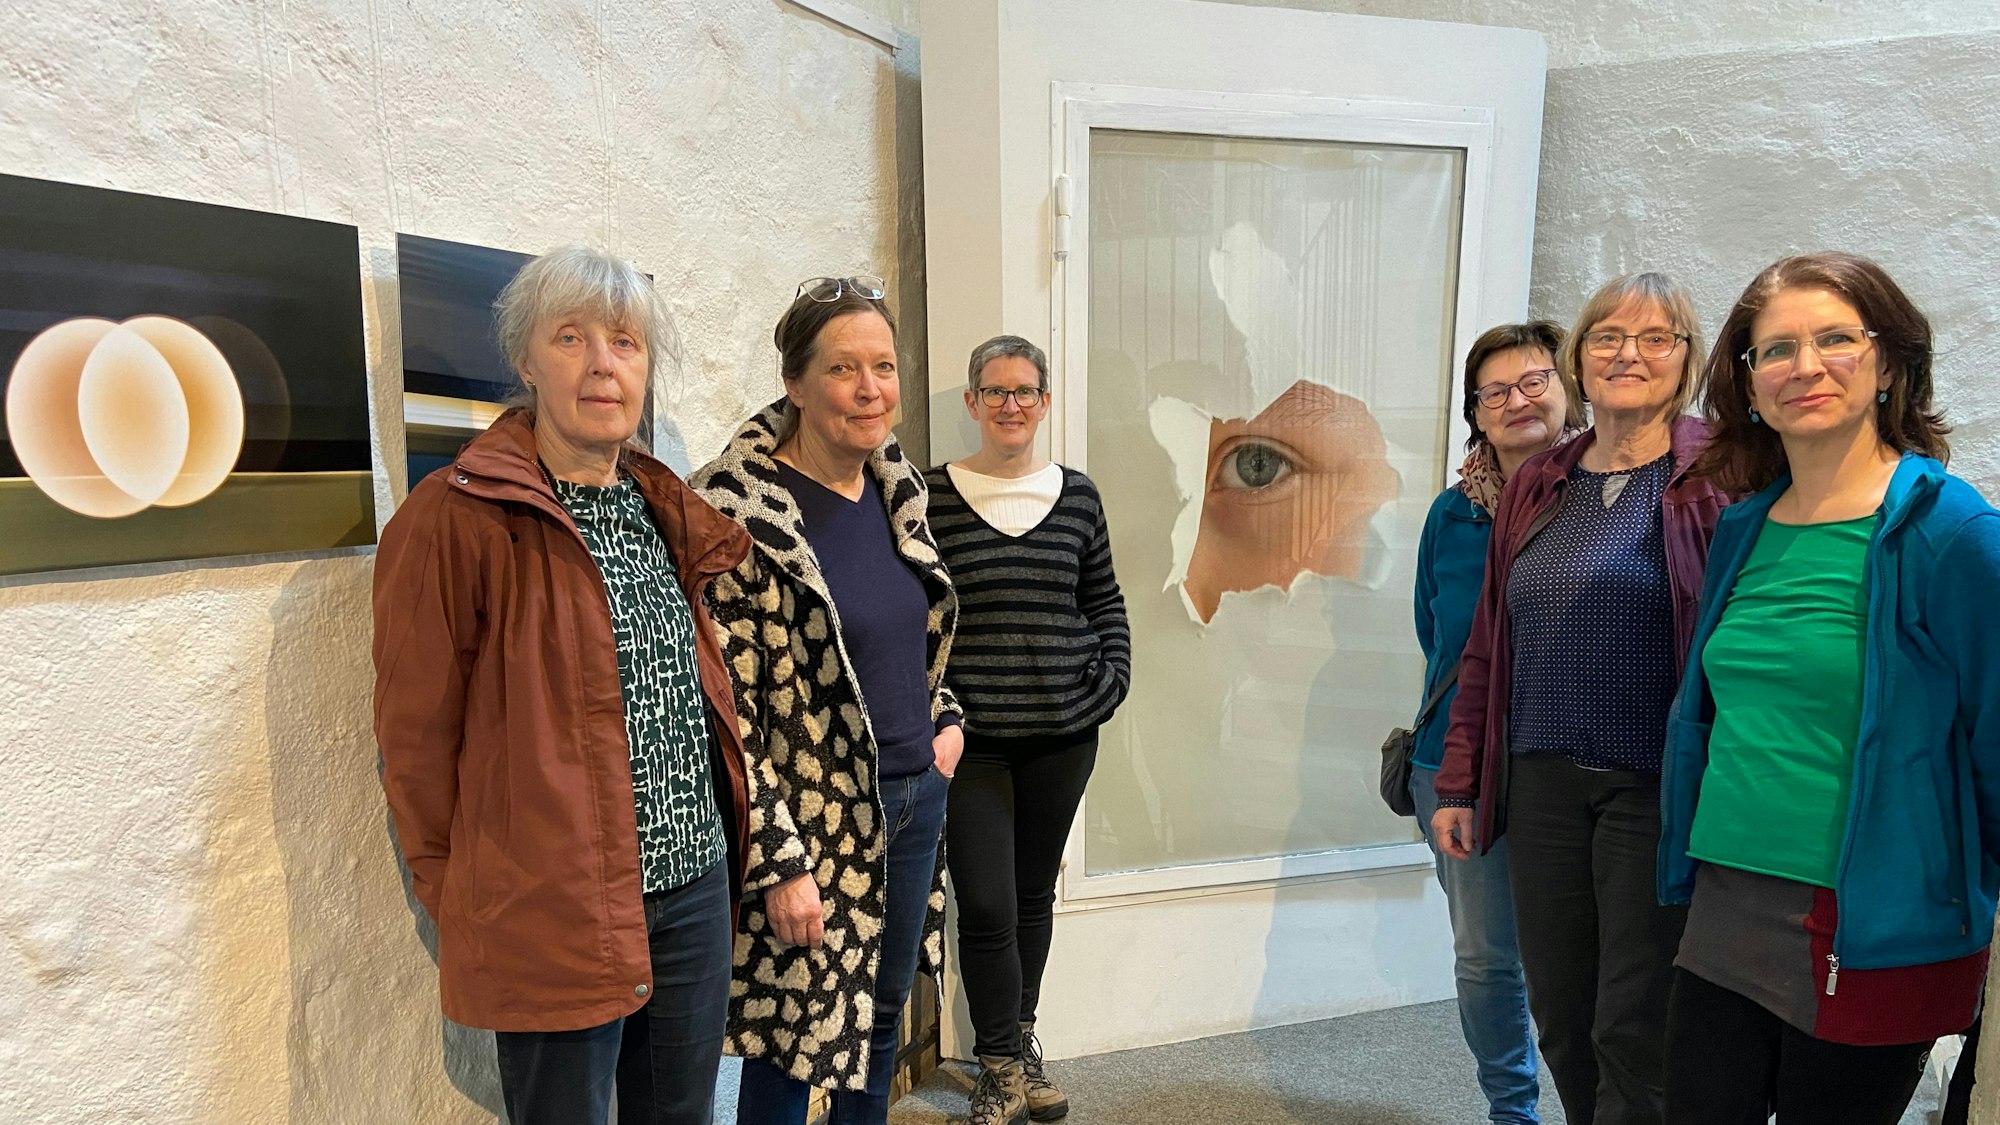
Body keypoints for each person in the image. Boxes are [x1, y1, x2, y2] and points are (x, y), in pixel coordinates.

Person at [373, 246, 751, 1125]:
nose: (601, 364)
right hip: (553, 906)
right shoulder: (453, 517)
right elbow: (416, 742)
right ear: (525, 361)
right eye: (571, 337)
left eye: (624, 342)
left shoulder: (660, 505)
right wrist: (475, 898)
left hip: (692, 888)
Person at [1659, 252, 2000, 1124]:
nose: (1805, 367)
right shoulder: (1742, 526)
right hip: (1726, 896)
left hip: (1872, 916)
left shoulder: (1952, 532)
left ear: (1888, 363)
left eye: (1836, 339)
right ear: (1750, 385)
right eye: (1775, 350)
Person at [1433, 273, 1730, 1125]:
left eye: (1655, 338)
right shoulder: (1542, 480)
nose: (1628, 353)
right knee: (1562, 1016)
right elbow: (1489, 639)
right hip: (1542, 785)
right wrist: (1459, 778)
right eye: (1607, 337)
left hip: (1650, 785)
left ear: (1687, 359)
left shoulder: (1716, 474)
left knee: (1631, 1022)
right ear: (1580, 357)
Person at [692, 275, 963, 1125]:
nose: (870, 388)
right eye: (844, 368)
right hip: (810, 815)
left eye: (882, 366)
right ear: (796, 384)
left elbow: (910, 634)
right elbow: (723, 710)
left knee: (879, 1023)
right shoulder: (734, 509)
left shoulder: (897, 487)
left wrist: (945, 719)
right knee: (791, 1037)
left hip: (914, 793)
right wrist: (777, 860)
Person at [924, 335, 1131, 1124]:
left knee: (1033, 892)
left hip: (1063, 735)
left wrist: (1109, 679)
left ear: (1044, 403)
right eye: (996, 391)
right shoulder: (934, 495)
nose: (1011, 404)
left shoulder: (1076, 496)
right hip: (969, 741)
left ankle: (1019, 1045)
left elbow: (1104, 600)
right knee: (984, 901)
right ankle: (999, 1063)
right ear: (973, 403)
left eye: (1025, 391)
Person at [1411, 322, 1583, 1125]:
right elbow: (1435, 632)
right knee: (1486, 958)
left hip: (1574, 763)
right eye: (1495, 391)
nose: (1517, 400)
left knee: (1584, 956)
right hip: (1457, 764)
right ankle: (1512, 1111)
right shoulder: (1452, 515)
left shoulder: (1608, 499)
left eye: (1535, 380)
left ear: (1567, 387)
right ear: (1474, 413)